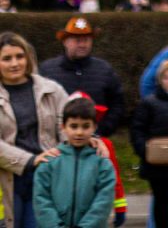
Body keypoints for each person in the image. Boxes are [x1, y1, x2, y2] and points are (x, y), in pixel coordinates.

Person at [0, 32, 69, 228]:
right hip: (7, 180)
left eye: (19, 56)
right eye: (6, 58)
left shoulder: (51, 89)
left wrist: (84, 142)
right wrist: (29, 160)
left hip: (45, 176)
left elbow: (68, 123)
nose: (15, 63)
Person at [32, 96, 116, 228]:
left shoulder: (102, 164)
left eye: (85, 126)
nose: (79, 132)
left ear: (94, 127)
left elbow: (103, 201)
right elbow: (41, 200)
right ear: (63, 127)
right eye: (74, 126)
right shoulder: (50, 162)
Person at [39, 18, 125, 138]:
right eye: (77, 40)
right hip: (57, 144)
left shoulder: (104, 69)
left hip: (96, 142)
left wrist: (102, 130)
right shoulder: (47, 70)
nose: (82, 44)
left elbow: (117, 103)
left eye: (86, 40)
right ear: (65, 42)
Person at [132, 60, 168, 228]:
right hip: (156, 164)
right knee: (160, 201)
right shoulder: (149, 103)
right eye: (166, 77)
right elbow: (137, 129)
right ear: (160, 79)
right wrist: (145, 151)